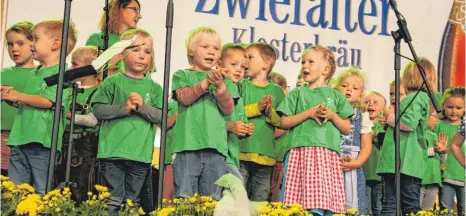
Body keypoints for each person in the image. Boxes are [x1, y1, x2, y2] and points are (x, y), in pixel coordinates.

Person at [2, 19, 77, 195]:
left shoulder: (64, 74)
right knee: (14, 191)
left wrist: (19, 95)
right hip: (20, 138)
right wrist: (10, 97)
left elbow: (49, 101)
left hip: (43, 142)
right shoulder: (32, 73)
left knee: (40, 190)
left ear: (55, 44)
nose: (32, 44)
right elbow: (29, 102)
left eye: (35, 39)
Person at [91, 29, 162, 214]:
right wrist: (124, 108)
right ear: (122, 53)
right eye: (135, 50)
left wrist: (142, 107)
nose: (141, 56)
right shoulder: (112, 82)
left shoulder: (154, 88)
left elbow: (161, 116)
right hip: (112, 153)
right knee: (112, 200)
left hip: (140, 155)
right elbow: (98, 109)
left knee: (133, 203)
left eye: (147, 52)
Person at [277, 45, 353, 215]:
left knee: (324, 200)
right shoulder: (297, 93)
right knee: (298, 202)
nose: (305, 66)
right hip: (300, 151)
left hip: (326, 154)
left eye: (311, 62)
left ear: (326, 69)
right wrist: (309, 113)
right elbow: (284, 122)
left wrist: (333, 116)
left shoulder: (336, 96)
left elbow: (347, 128)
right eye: (303, 62)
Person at [170, 27, 234, 200]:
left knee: (212, 201)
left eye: (215, 48)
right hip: (187, 147)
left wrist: (220, 87)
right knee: (184, 198)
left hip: (216, 148)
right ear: (191, 51)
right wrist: (206, 82)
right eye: (205, 47)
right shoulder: (182, 75)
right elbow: (184, 98)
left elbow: (228, 109)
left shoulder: (223, 79)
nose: (211, 51)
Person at [377, 57, 438, 215]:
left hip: (405, 161)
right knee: (397, 202)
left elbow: (408, 124)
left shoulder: (416, 98)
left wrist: (390, 117)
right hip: (400, 162)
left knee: (403, 203)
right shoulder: (415, 98)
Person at [239, 42, 285, 201]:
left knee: (260, 198)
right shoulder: (242, 85)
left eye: (250, 57)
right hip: (241, 153)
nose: (245, 62)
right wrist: (257, 108)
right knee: (238, 196)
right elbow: (235, 112)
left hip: (266, 156)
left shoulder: (277, 91)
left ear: (267, 62)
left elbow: (282, 122)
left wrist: (269, 112)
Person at [335, 68, 373, 214]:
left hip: (353, 163)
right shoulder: (332, 113)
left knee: (353, 200)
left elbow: (366, 146)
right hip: (332, 162)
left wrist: (357, 163)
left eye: (354, 87)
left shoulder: (362, 117)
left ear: (360, 95)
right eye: (344, 85)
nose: (349, 89)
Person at [1, 21, 36, 176]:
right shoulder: (3, 73)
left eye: (20, 43)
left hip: (26, 136)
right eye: (10, 44)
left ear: (33, 44)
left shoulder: (40, 75)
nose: (14, 48)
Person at [219, 43, 253, 180]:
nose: (239, 70)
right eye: (233, 64)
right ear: (219, 64)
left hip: (232, 154)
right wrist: (230, 126)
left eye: (243, 67)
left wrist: (246, 128)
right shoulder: (220, 86)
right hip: (221, 154)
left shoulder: (238, 89)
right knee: (236, 189)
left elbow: (239, 118)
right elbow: (210, 119)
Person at [434, 86, 465, 214]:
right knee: (446, 208)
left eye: (458, 108)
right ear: (443, 106)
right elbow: (433, 148)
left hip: (463, 175)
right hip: (445, 175)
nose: (454, 111)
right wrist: (439, 149)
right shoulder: (438, 125)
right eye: (450, 107)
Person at [362, 91, 387, 216]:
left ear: (383, 108)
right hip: (364, 172)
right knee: (364, 207)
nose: (370, 105)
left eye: (375, 102)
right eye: (367, 102)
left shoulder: (383, 126)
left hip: (379, 174)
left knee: (378, 206)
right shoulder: (360, 123)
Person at [267, 71, 289, 202]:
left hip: (278, 157)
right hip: (267, 155)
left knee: (272, 193)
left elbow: (283, 128)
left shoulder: (285, 107)